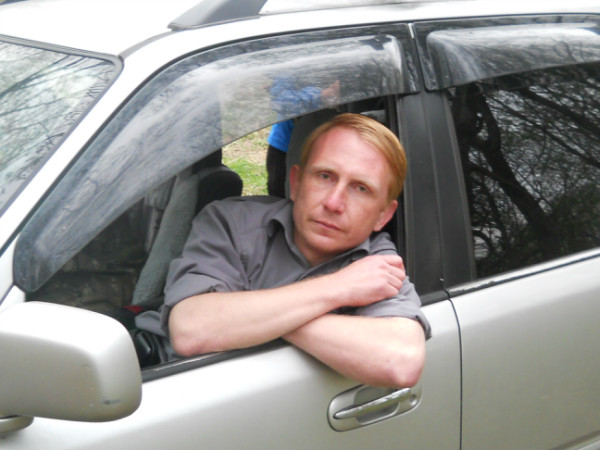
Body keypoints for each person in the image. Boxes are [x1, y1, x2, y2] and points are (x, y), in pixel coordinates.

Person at [163, 113, 431, 388]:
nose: (334, 203)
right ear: (296, 182)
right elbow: (190, 329)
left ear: (383, 215)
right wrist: (339, 287)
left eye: (361, 188)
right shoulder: (232, 221)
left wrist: (256, 319)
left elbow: (401, 362)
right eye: (325, 176)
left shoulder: (378, 265)